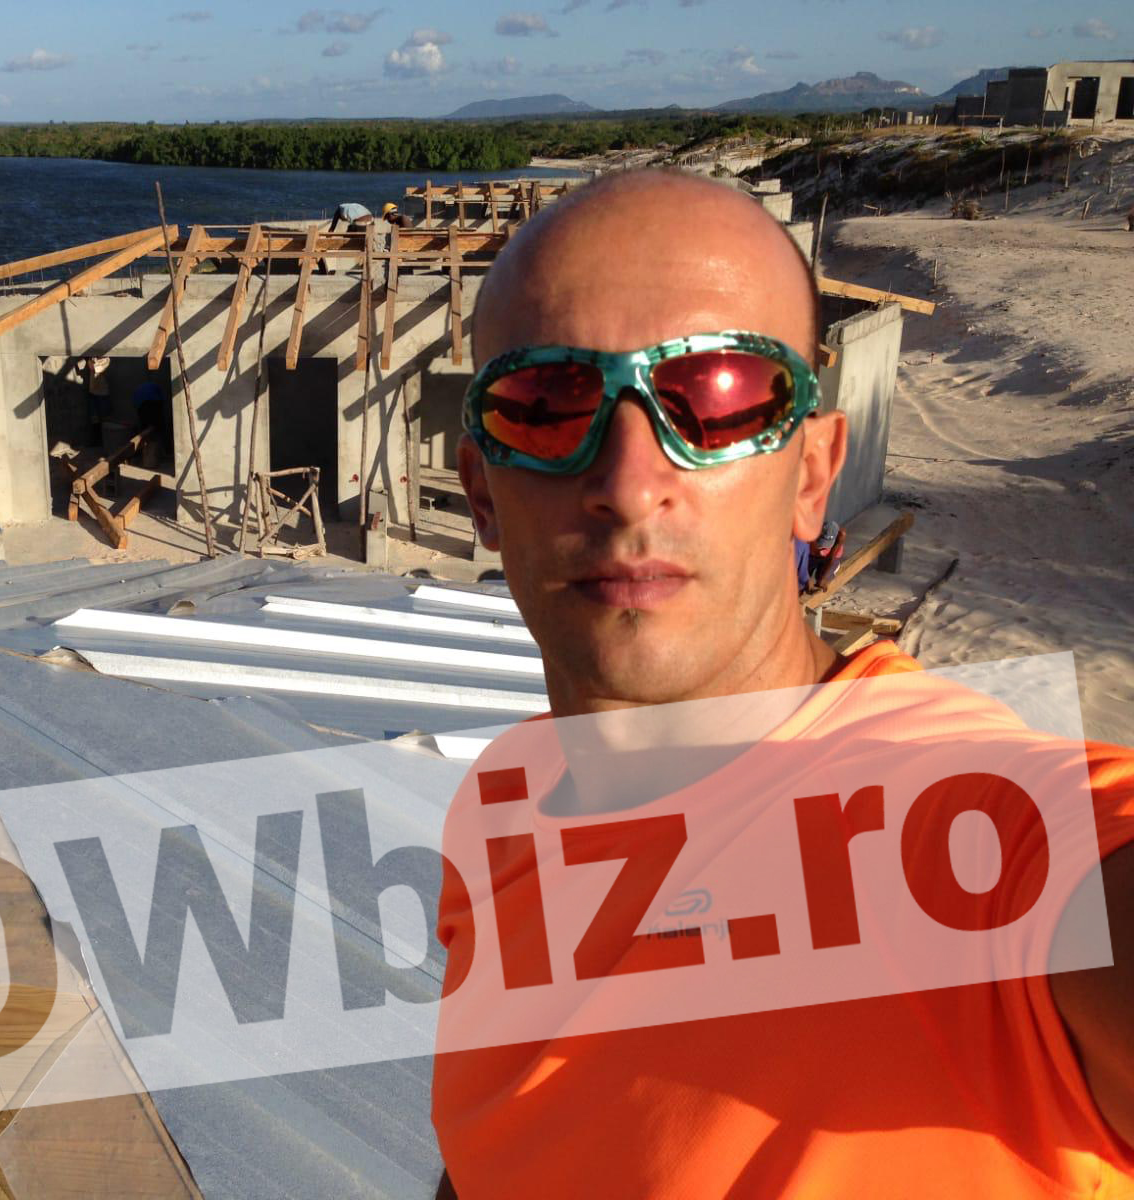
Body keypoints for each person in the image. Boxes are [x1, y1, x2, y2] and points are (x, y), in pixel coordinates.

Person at [433, 169, 1134, 1197]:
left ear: (811, 475)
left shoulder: (985, 830)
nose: (629, 484)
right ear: (481, 496)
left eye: (716, 400)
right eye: (547, 405)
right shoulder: (498, 807)